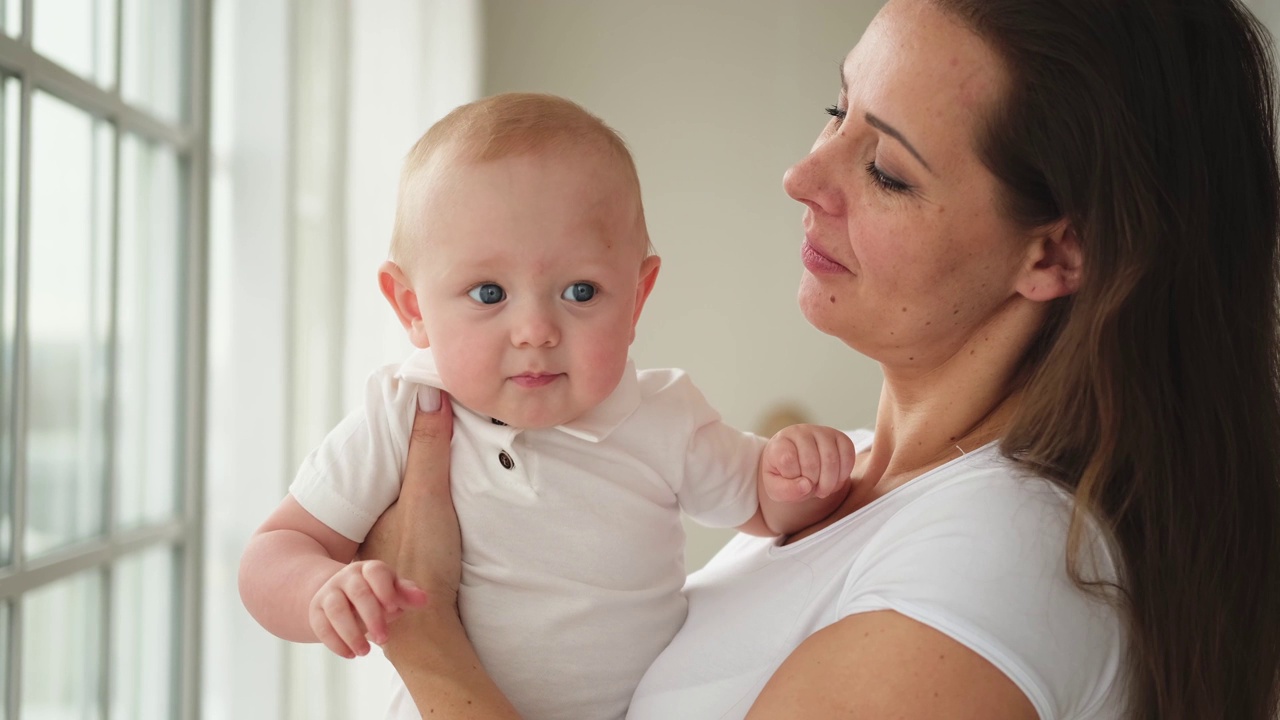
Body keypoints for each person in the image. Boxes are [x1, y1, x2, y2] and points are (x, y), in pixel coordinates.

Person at [359, 0, 1280, 718]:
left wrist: (426, 637)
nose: (803, 177)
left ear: (1052, 254)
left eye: (886, 170)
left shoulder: (998, 567)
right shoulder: (839, 480)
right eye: (837, 110)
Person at [238, 92, 860, 720]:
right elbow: (274, 552)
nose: (535, 329)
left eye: (580, 291)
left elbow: (762, 506)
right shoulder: (404, 413)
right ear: (412, 308)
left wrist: (795, 473)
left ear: (637, 297)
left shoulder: (663, 417)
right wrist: (323, 589)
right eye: (489, 292)